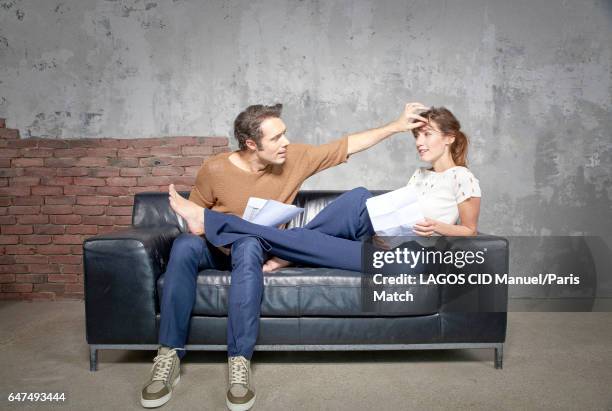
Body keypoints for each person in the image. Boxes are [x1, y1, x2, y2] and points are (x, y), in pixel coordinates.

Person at [140, 102, 429, 410]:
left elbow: (348, 144)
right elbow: (195, 222)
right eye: (276, 138)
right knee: (184, 245)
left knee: (250, 243)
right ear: (252, 144)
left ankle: (239, 360)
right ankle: (168, 354)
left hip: (256, 251)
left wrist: (395, 126)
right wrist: (211, 231)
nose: (286, 143)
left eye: (285, 134)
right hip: (216, 250)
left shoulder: (294, 159)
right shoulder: (215, 169)